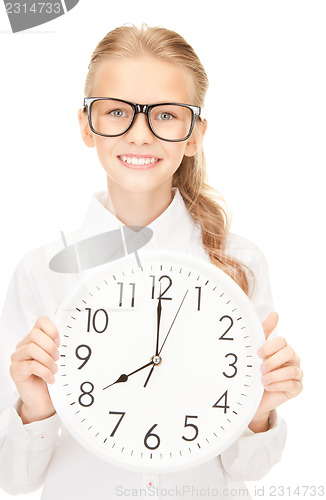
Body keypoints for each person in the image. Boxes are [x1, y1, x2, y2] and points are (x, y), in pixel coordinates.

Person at [0, 24, 303, 499]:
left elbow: (250, 468)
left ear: (194, 134)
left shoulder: (238, 263)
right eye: (117, 111)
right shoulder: (41, 271)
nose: (140, 135)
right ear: (86, 125)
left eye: (165, 115)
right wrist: (35, 405)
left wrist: (259, 410)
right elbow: (13, 479)